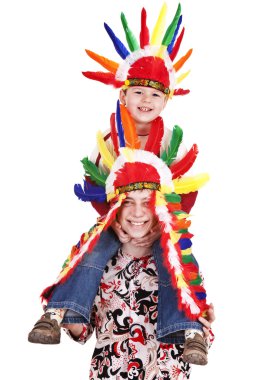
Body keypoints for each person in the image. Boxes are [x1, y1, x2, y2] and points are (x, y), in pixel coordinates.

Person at [29, 130, 214, 370]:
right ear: (115, 207)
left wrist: (203, 326)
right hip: (110, 372)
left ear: (160, 208)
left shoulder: (182, 265)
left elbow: (206, 343)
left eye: (147, 202)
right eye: (128, 202)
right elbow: (84, 331)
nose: (137, 213)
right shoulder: (98, 263)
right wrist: (70, 321)